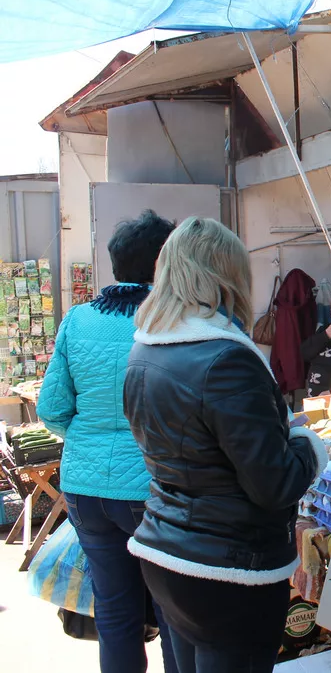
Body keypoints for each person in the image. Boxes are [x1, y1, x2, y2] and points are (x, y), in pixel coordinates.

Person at [122, 217, 328, 673]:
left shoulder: (145, 350)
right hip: (229, 570)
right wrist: (308, 443)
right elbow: (275, 484)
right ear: (227, 275)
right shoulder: (227, 358)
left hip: (169, 553)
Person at [37, 209, 178, 673]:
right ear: (165, 263)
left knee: (115, 612)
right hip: (153, 489)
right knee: (172, 612)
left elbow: (51, 409)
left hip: (85, 490)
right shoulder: (174, 318)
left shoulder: (78, 319)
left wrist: (90, 438)